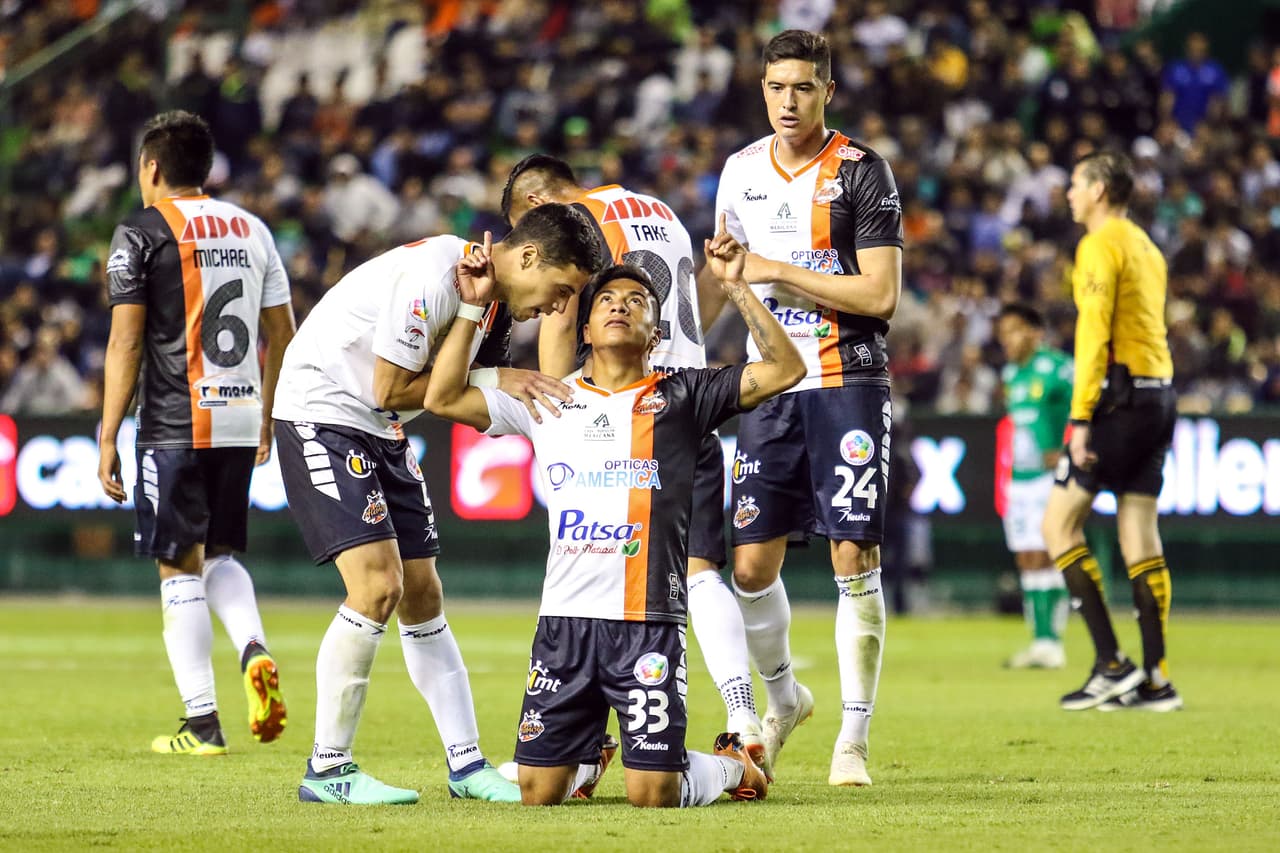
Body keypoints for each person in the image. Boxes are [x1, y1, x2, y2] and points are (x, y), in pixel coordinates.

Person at [422, 223, 805, 808]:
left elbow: (784, 371)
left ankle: (731, 769)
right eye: (605, 299)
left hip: (647, 623)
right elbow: (441, 397)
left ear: (655, 333)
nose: (620, 306)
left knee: (652, 794)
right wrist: (474, 309)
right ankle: (587, 753)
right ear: (585, 327)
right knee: (536, 793)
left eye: (637, 301)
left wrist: (736, 286)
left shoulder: (683, 395)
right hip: (564, 627)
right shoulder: (547, 398)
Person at [271, 202, 604, 805]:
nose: (559, 307)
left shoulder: (488, 299)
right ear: (528, 256)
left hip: (383, 427)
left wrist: (498, 372)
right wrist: (499, 377)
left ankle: (467, 766)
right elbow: (390, 386)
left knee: (423, 592)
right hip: (323, 410)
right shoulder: (436, 274)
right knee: (376, 587)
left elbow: (445, 390)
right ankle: (328, 768)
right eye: (561, 290)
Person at [501, 154, 766, 770]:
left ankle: (587, 751)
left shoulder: (572, 224)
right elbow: (697, 309)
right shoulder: (659, 210)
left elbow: (562, 319)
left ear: (539, 207)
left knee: (598, 569)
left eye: (522, 232)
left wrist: (558, 409)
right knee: (698, 569)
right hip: (685, 401)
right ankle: (742, 713)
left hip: (617, 409)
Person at [703, 30, 904, 787]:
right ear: (762, 89)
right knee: (750, 566)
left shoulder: (861, 172)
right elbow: (730, 275)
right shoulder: (740, 171)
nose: (789, 101)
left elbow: (880, 295)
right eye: (776, 87)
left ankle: (852, 739)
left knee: (854, 556)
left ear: (828, 90)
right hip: (769, 384)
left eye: (803, 88)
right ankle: (786, 698)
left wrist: (776, 270)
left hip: (847, 378)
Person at [97, 110, 295, 755]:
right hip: (239, 416)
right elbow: (281, 335)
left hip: (175, 419)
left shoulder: (141, 232)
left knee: (176, 567)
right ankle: (253, 647)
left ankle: (201, 724)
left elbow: (126, 338)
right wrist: (268, 413)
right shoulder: (254, 230)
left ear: (151, 168)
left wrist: (107, 434)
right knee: (220, 556)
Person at [1041, 150, 1182, 713]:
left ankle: (1110, 664)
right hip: (1160, 394)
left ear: (1099, 189)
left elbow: (1093, 333)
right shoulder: (1146, 245)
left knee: (1057, 525)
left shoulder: (1098, 244)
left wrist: (1079, 419)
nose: (1070, 193)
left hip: (1120, 401)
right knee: (1139, 534)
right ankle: (1156, 679)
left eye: (1076, 184)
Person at [995, 303, 1072, 669]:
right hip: (1019, 479)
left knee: (1047, 554)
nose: (1005, 339)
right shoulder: (1011, 374)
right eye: (1003, 331)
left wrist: (1067, 446)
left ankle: (1052, 640)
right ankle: (1039, 639)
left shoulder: (1058, 368)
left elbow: (1085, 409)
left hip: (1049, 479)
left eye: (1012, 330)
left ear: (1033, 332)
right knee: (1026, 558)